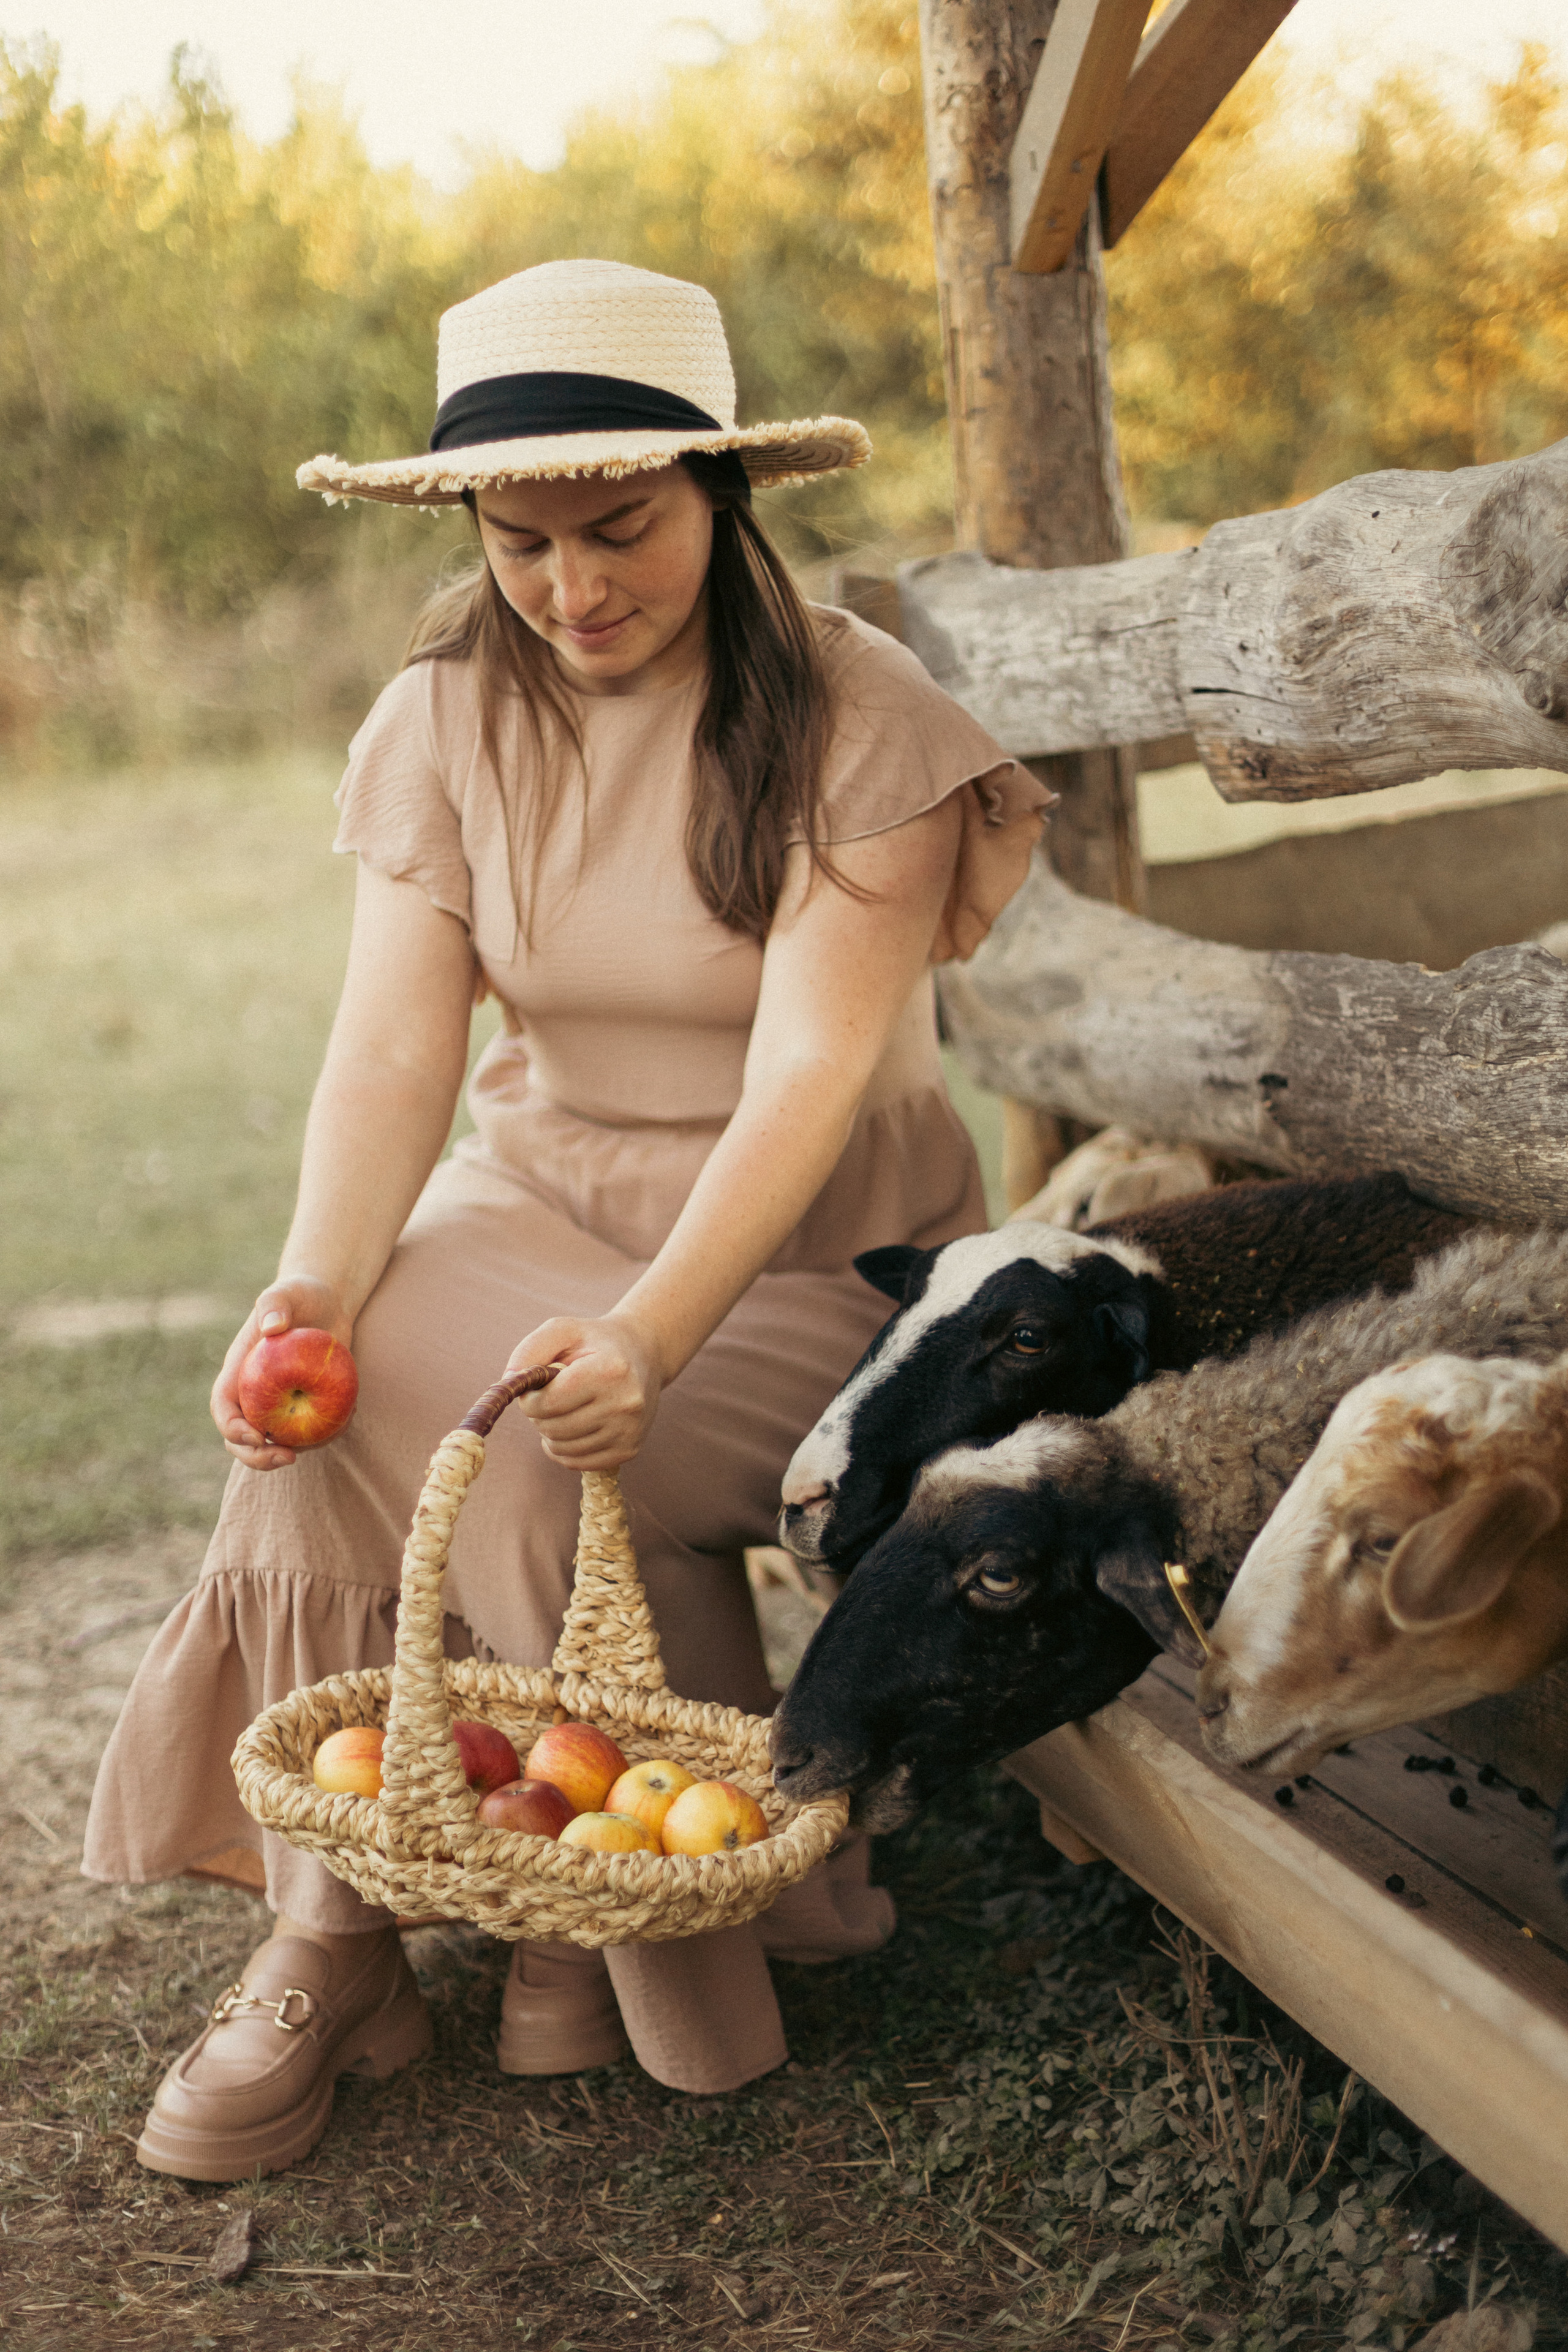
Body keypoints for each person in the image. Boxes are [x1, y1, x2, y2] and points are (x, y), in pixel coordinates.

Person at [83, 258, 1048, 2182]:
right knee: (347, 1403)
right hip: (532, 1194)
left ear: (723, 495)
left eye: (620, 530)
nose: (572, 588)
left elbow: (807, 1082)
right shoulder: (444, 712)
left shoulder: (862, 719)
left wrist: (651, 1334)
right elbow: (387, 1057)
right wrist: (312, 1284)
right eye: (520, 542)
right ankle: (332, 1940)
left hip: (802, 1260)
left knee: (541, 1445)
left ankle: (575, 1919)